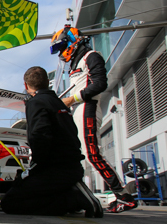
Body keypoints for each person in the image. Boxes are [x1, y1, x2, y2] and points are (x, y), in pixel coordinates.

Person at [51, 26, 137, 213]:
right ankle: (116, 195)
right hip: (79, 109)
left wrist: (72, 99)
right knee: (84, 154)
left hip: (88, 107)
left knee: (92, 154)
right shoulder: (77, 62)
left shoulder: (91, 56)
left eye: (62, 47)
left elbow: (99, 84)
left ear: (71, 41)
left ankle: (123, 195)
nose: (60, 53)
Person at [1, 66, 103, 218]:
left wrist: (34, 168)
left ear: (25, 85)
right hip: (70, 166)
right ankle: (70, 193)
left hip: (54, 170)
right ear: (47, 82)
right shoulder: (60, 104)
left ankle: (73, 199)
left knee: (10, 202)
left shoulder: (35, 103)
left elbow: (39, 136)